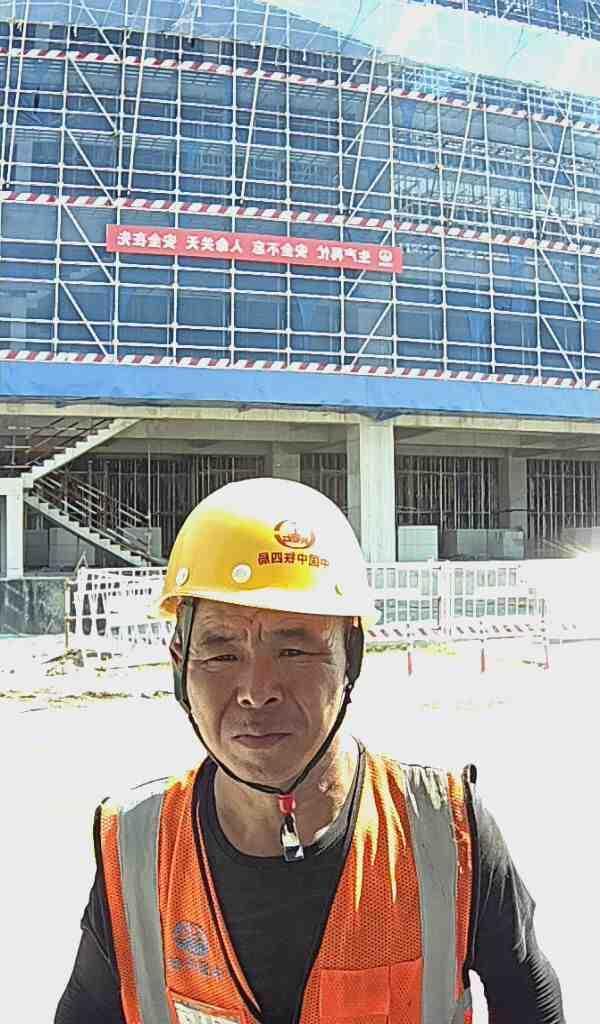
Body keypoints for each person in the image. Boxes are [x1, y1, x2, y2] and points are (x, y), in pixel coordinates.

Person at [55, 477, 565, 1024]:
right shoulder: (135, 849)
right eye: (222, 654)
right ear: (179, 662)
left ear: (351, 657)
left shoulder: (445, 830)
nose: (257, 690)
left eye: (294, 650)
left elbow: (529, 1000)